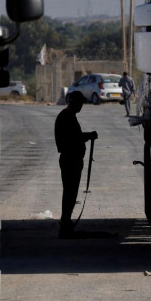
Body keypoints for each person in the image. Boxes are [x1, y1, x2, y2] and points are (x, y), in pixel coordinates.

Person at [54, 90, 98, 239]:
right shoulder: (66, 117)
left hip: (72, 159)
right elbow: (74, 138)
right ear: (74, 102)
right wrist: (88, 136)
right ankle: (65, 224)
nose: (81, 106)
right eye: (80, 103)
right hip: (70, 160)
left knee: (70, 193)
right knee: (69, 193)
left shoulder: (68, 116)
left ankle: (66, 223)